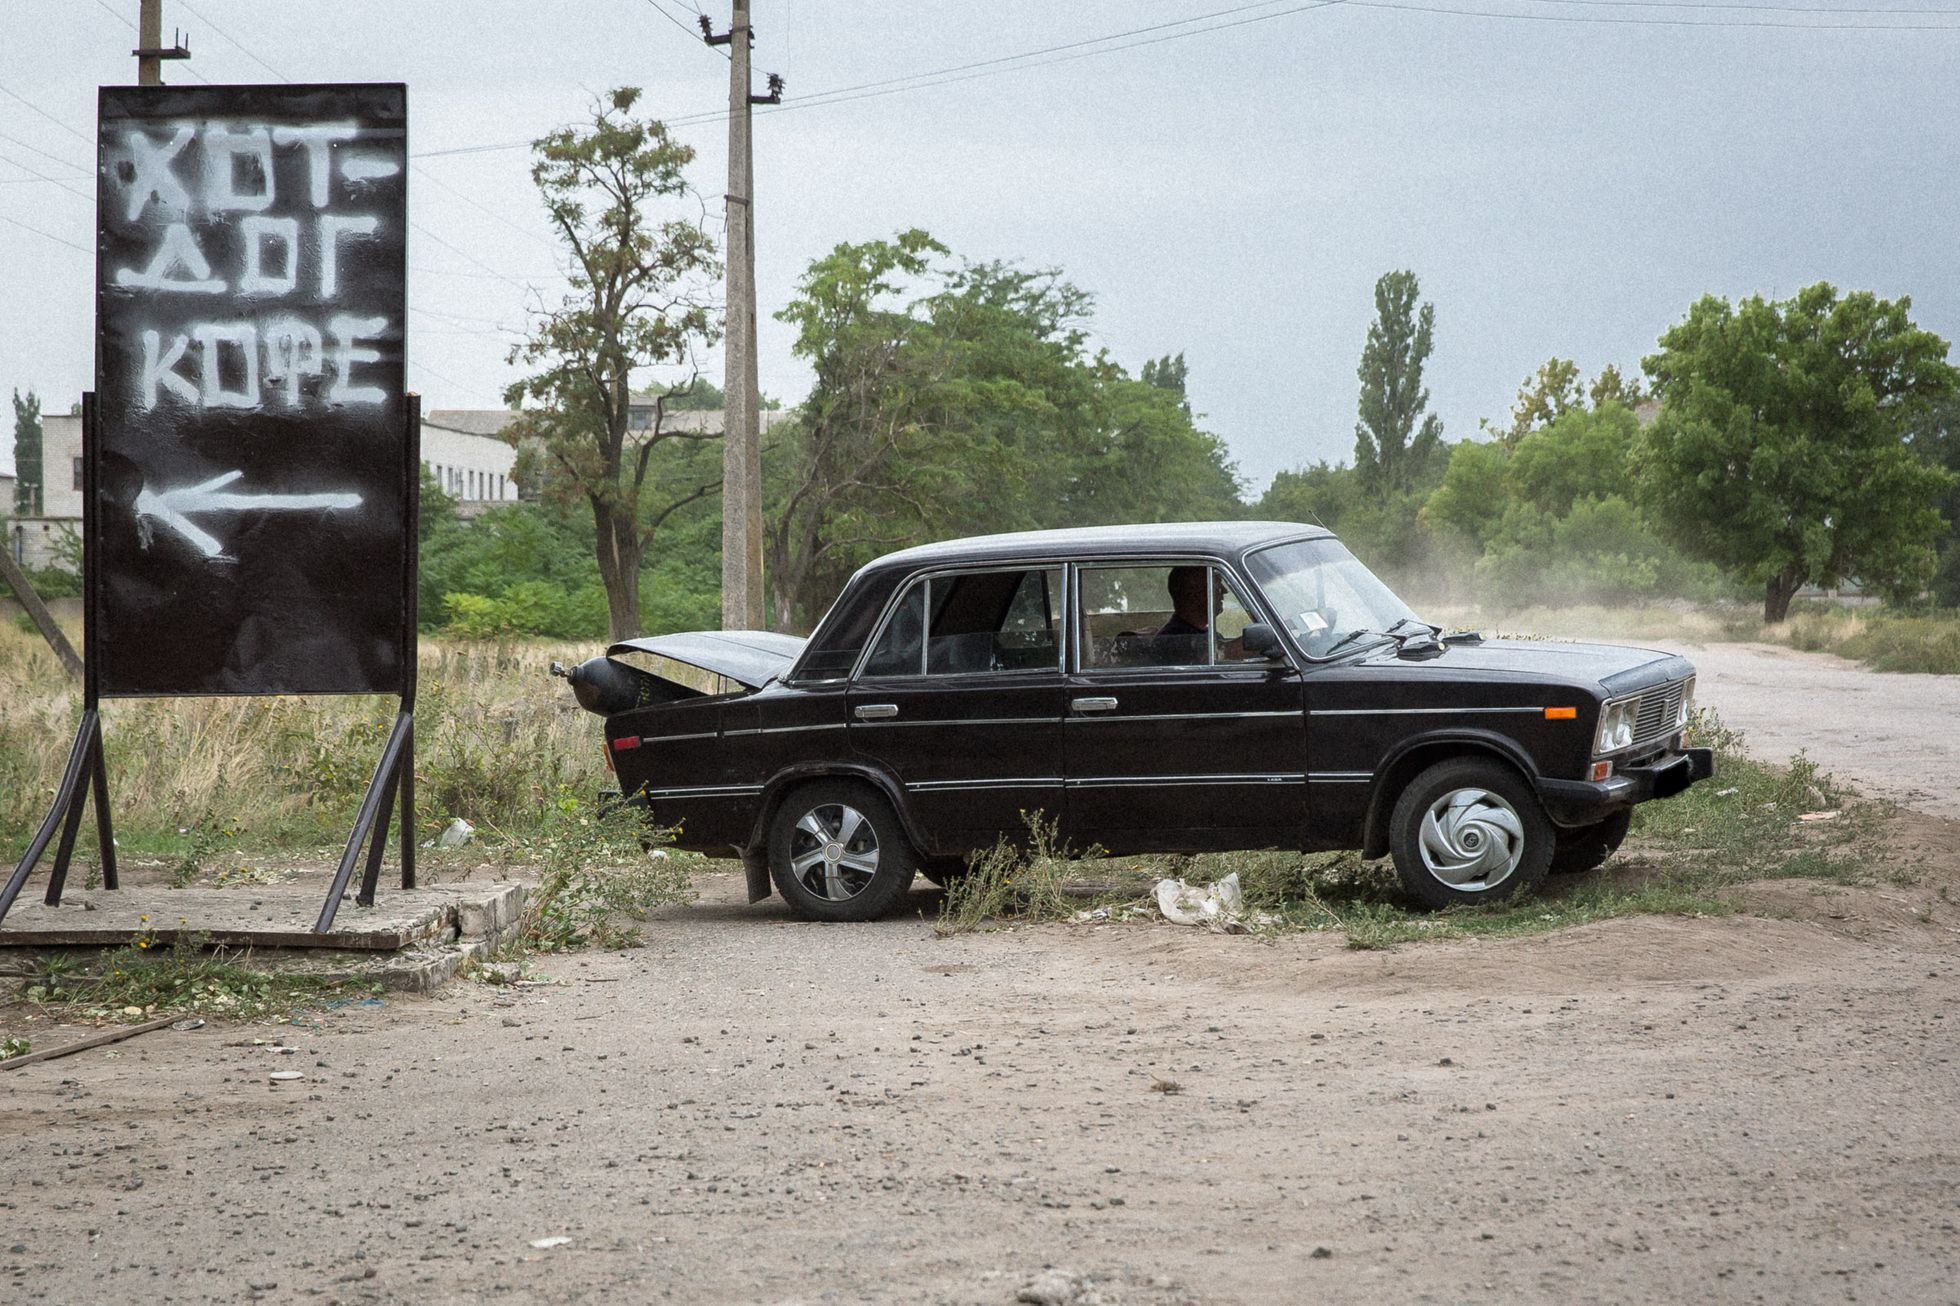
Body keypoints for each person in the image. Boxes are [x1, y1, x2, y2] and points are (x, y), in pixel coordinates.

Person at [1154, 566, 1245, 661]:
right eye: (1216, 585)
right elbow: (1203, 660)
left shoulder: (1203, 632)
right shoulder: (1173, 641)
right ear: (1193, 594)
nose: (1224, 591)